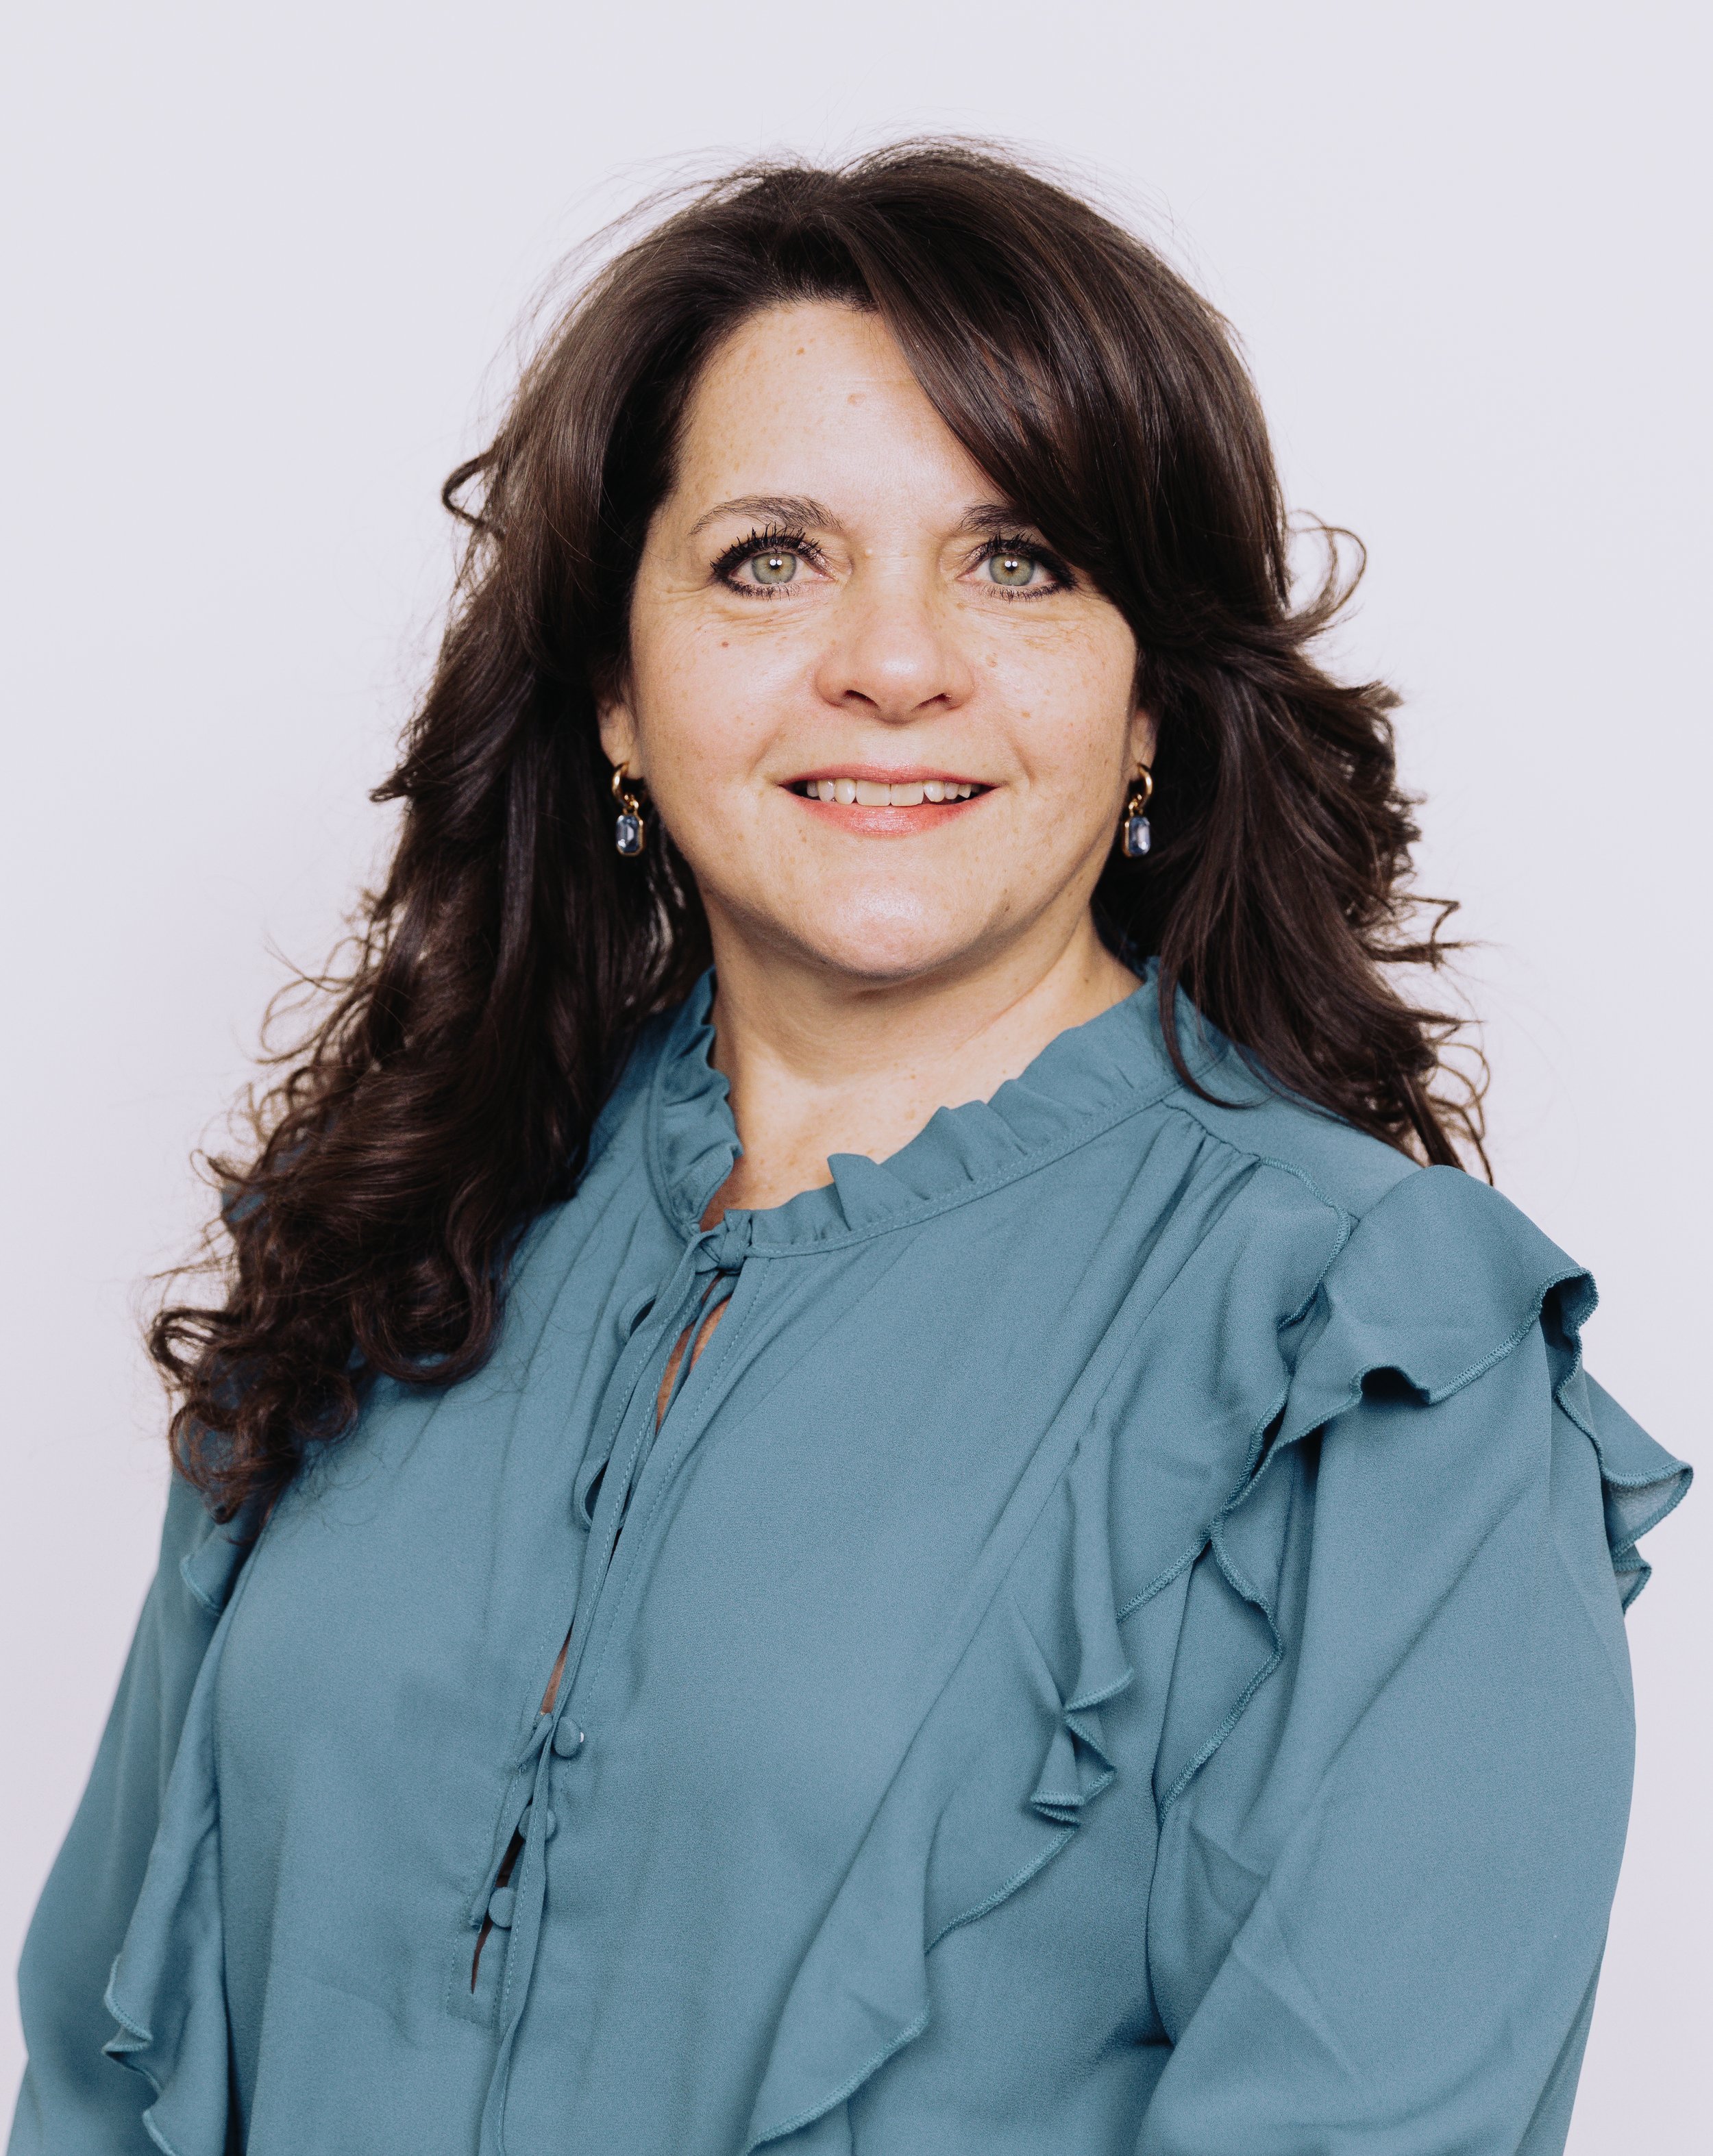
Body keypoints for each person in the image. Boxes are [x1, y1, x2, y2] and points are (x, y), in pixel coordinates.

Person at [9, 145, 1688, 2156]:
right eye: (768, 558)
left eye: (1019, 559)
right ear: (615, 691)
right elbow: (101, 2057)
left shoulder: (1378, 1364)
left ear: (1150, 697)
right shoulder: (404, 1216)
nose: (894, 662)